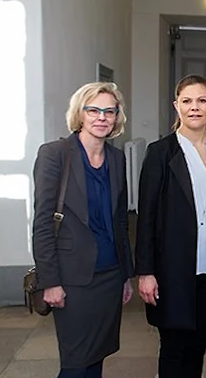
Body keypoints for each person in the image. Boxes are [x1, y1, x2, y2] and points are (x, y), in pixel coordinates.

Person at [135, 74, 206, 378]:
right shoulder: (160, 153)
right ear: (176, 106)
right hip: (173, 270)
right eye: (187, 101)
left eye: (202, 100)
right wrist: (146, 271)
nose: (195, 107)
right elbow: (147, 216)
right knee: (173, 348)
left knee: (198, 346)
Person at [32, 82, 134, 378]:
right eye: (93, 110)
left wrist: (125, 274)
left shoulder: (116, 159)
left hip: (109, 275)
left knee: (96, 359)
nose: (101, 117)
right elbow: (42, 223)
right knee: (75, 364)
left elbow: (120, 221)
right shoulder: (55, 154)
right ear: (80, 113)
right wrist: (49, 281)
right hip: (72, 279)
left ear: (117, 117)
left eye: (109, 111)